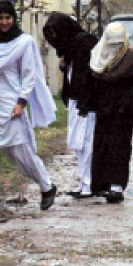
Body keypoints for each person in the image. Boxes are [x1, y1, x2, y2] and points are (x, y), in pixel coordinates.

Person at [0, 0, 58, 210]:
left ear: (14, 18)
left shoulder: (23, 42)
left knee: (20, 151)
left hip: (10, 101)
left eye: (8, 18)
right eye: (0, 18)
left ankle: (46, 186)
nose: (4, 22)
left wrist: (21, 103)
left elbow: (29, 75)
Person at [82, 22, 133, 204]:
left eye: (119, 44)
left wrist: (126, 104)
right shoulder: (97, 56)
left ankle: (117, 187)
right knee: (102, 147)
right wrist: (89, 103)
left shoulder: (131, 58)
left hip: (123, 113)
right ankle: (102, 185)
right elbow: (92, 82)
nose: (115, 49)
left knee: (120, 149)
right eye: (112, 44)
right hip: (104, 111)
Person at [43, 13, 98, 199]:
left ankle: (89, 185)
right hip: (76, 101)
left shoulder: (84, 43)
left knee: (87, 143)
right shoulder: (71, 47)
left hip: (86, 103)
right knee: (79, 144)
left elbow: (90, 76)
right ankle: (84, 184)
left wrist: (85, 101)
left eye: (56, 32)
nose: (55, 37)